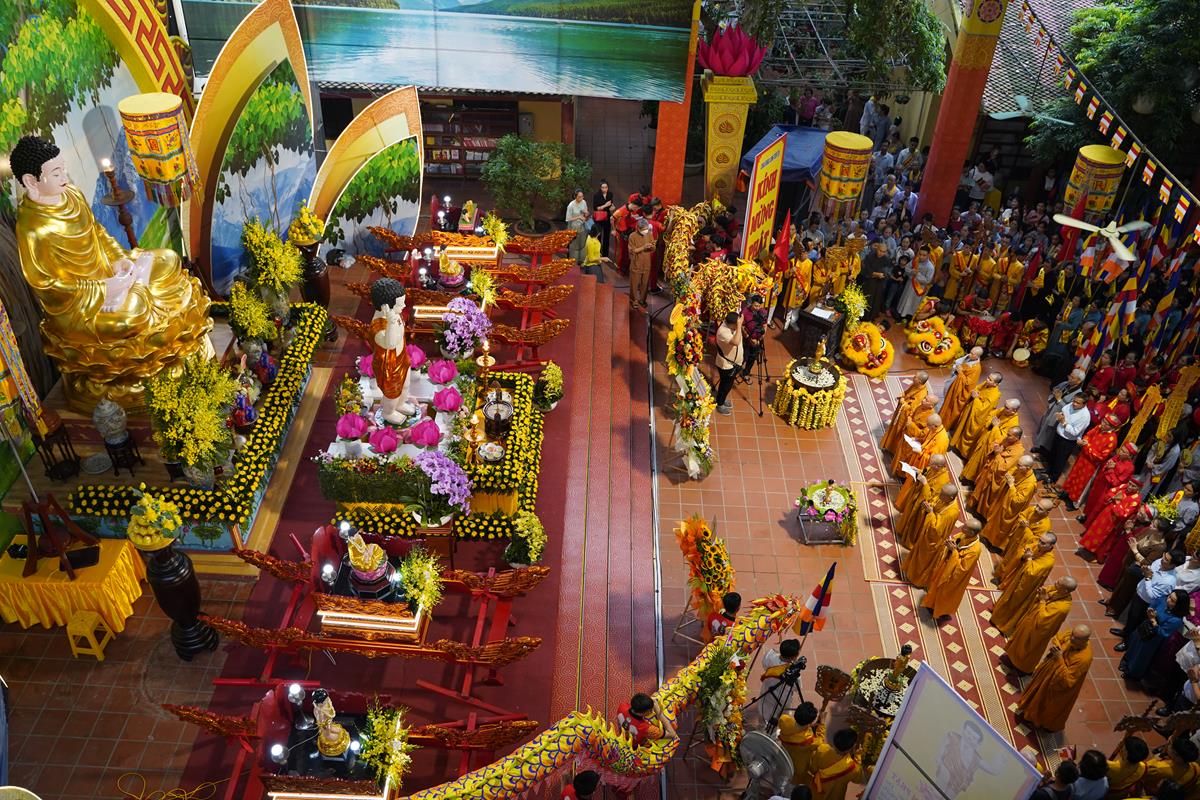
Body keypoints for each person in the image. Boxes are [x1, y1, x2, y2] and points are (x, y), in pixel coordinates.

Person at [1016, 625, 1093, 732]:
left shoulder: (1084, 659)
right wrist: (1058, 648)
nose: (1071, 639)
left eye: (1077, 638)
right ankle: (1028, 711)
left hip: (1058, 685)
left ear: (1085, 640)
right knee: (1036, 693)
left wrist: (1059, 658)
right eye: (1072, 635)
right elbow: (1057, 638)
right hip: (1049, 673)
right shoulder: (1072, 635)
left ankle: (1039, 722)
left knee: (1046, 705)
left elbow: (1068, 680)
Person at [1003, 577, 1077, 675]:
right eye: (1057, 581)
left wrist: (1042, 600)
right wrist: (1042, 592)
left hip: (1038, 631)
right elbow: (1047, 591)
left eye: (1058, 583)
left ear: (1065, 590)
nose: (1055, 583)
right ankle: (1013, 660)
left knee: (1027, 649)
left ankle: (1021, 669)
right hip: (1032, 621)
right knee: (1019, 641)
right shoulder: (1058, 590)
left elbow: (1043, 620)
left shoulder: (1062, 608)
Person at [1112, 549, 1184, 645]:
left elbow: (1152, 596)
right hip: (1139, 594)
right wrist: (1144, 571)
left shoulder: (1169, 581)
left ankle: (1127, 642)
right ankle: (1125, 632)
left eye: (1166, 560)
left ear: (1173, 565)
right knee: (1131, 617)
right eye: (1164, 556)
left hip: (1146, 603)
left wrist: (1147, 578)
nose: (1162, 559)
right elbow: (1149, 570)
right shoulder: (1159, 562)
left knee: (1136, 622)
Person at [990, 533, 1058, 635]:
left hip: (1027, 585)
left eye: (1043, 543)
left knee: (1015, 601)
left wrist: (1029, 558)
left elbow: (1031, 573)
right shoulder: (1037, 546)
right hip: (1019, 576)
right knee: (1007, 595)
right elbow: (1025, 549)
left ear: (1051, 546)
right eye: (1040, 540)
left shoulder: (1049, 560)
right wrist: (1024, 556)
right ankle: (997, 613)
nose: (1039, 544)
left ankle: (1003, 624)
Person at [920, 522, 984, 621]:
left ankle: (939, 611)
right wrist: (950, 544)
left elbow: (963, 568)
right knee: (936, 585)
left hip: (954, 576)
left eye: (965, 527)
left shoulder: (975, 550)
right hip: (946, 566)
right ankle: (930, 604)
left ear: (971, 532)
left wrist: (953, 551)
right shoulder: (964, 535)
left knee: (945, 593)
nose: (962, 527)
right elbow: (955, 540)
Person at [1119, 589, 1190, 678]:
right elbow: (1154, 603)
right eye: (1169, 597)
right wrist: (1151, 610)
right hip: (1144, 628)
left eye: (1172, 600)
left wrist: (1153, 620)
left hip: (1152, 638)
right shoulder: (1164, 601)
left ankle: (1132, 673)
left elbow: (1163, 633)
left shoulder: (1176, 619)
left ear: (1178, 605)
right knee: (1133, 645)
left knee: (1140, 655)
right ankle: (1126, 662)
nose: (1168, 600)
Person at [979, 446, 1038, 550]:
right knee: (994, 520)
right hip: (1004, 500)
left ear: (1028, 468)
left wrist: (1011, 485)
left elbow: (1018, 501)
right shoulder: (1020, 469)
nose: (1017, 467)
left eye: (1020, 466)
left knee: (1001, 527)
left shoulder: (1030, 484)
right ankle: (987, 536)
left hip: (1011, 508)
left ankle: (995, 545)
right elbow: (1011, 471)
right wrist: (1008, 476)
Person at [903, 485, 962, 587]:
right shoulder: (946, 499)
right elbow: (936, 504)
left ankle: (917, 580)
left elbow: (936, 529)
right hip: (927, 534)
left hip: (933, 540)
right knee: (917, 554)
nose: (940, 495)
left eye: (943, 495)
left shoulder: (951, 512)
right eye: (941, 492)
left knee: (923, 561)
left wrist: (930, 512)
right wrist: (930, 505)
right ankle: (911, 571)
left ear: (951, 497)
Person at [934, 720, 1005, 798]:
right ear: (963, 730)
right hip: (946, 769)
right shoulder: (953, 737)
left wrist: (1000, 759)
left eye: (974, 738)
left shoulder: (976, 759)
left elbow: (992, 769)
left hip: (958, 782)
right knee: (942, 780)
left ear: (978, 743)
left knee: (949, 796)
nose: (969, 738)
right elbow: (944, 744)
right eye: (968, 733)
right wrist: (939, 758)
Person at [1059, 414, 1120, 506]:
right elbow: (1088, 435)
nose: (1103, 424)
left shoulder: (1112, 440)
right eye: (1103, 421)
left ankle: (1075, 502)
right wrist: (1085, 442)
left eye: (1106, 424)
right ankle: (1067, 492)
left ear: (1112, 427)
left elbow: (1101, 457)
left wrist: (1087, 446)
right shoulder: (1099, 427)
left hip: (1092, 464)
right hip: (1083, 456)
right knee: (1074, 474)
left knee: (1083, 482)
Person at [1078, 479, 1144, 564]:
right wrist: (1114, 498)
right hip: (1106, 514)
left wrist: (1117, 502)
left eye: (1133, 486)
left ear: (1138, 488)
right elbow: (1110, 491)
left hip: (1114, 522)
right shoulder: (1124, 486)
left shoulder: (1135, 500)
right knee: (1095, 531)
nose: (1130, 487)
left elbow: (1123, 514)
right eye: (1130, 484)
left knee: (1105, 539)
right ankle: (1089, 548)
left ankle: (1098, 557)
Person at [994, 498, 1055, 586]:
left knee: (1012, 563)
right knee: (1007, 557)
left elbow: (1037, 541)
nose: (1036, 509)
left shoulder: (1045, 525)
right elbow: (1022, 515)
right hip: (1017, 538)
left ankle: (1003, 579)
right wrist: (1022, 521)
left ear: (1047, 512)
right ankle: (999, 574)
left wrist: (1026, 529)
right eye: (1037, 506)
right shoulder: (1032, 509)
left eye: (1040, 509)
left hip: (1024, 546)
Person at [895, 453, 950, 548]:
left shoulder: (943, 480)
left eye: (931, 463)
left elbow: (932, 497)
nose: (929, 464)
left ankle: (910, 541)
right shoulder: (934, 469)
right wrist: (918, 471)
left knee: (914, 522)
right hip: (918, 495)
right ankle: (903, 530)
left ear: (938, 466)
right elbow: (927, 472)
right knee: (908, 514)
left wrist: (924, 483)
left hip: (924, 504)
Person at [961, 400, 1021, 484]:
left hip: (992, 445)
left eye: (1007, 408)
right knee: (975, 458)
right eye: (1005, 406)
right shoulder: (1003, 410)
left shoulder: (1013, 423)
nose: (1004, 408)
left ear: (1014, 411)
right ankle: (968, 475)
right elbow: (991, 415)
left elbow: (1004, 438)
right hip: (987, 437)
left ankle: (973, 480)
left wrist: (995, 427)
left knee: (982, 462)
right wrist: (991, 422)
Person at [1080, 442, 1138, 525]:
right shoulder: (1118, 457)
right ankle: (1085, 516)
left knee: (1098, 505)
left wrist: (1111, 469)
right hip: (1101, 481)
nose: (1120, 452)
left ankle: (1089, 523)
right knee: (1092, 498)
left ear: (1129, 456)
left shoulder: (1130, 468)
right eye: (1121, 449)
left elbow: (1117, 482)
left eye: (1124, 452)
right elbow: (1108, 463)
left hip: (1108, 488)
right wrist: (1109, 466)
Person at [1043, 393, 1093, 484]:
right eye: (1074, 401)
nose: (1074, 404)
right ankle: (1048, 470)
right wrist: (1061, 415)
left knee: (1060, 459)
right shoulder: (1072, 404)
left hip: (1067, 440)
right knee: (1053, 453)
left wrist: (1064, 423)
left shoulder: (1085, 416)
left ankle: (1053, 478)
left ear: (1084, 404)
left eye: (1078, 403)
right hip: (1059, 433)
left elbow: (1075, 432)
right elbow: (1064, 410)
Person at [950, 372, 1003, 456]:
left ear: (995, 384)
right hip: (971, 410)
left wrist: (976, 398)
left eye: (990, 380)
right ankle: (957, 444)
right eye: (988, 377)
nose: (987, 380)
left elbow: (983, 409)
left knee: (969, 432)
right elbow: (977, 388)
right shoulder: (986, 384)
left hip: (979, 416)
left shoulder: (994, 395)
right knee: (963, 426)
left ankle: (964, 453)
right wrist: (975, 393)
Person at [809, 728, 868, 800]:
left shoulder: (822, 749)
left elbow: (813, 768)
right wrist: (858, 756)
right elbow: (858, 779)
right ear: (852, 747)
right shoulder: (851, 768)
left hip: (816, 791)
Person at [882, 371, 929, 454]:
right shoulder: (916, 385)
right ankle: (888, 445)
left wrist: (903, 402)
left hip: (905, 417)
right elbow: (907, 393)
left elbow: (912, 410)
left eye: (915, 377)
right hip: (901, 412)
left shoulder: (921, 395)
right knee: (894, 428)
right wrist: (902, 394)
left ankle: (893, 450)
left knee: (898, 431)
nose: (913, 377)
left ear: (919, 381)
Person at [778, 702, 824, 786]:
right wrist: (822, 725)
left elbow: (797, 727)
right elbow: (820, 741)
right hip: (798, 768)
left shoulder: (784, 720)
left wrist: (809, 725)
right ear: (809, 723)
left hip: (783, 759)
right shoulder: (808, 740)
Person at [941, 347, 984, 430]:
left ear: (977, 356)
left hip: (960, 391)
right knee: (947, 402)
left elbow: (968, 383)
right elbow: (959, 363)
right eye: (970, 352)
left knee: (952, 408)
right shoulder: (968, 358)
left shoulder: (976, 368)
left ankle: (946, 425)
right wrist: (957, 368)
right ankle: (941, 417)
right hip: (956, 384)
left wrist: (960, 372)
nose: (970, 354)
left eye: (972, 354)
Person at [714, 311, 744, 415]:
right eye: (736, 325)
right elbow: (735, 342)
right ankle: (720, 403)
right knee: (725, 385)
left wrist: (738, 324)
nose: (738, 327)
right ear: (731, 324)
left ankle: (721, 399)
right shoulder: (723, 332)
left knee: (728, 384)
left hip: (734, 364)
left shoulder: (733, 327)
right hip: (726, 365)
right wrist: (739, 326)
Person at [896, 243, 935, 320]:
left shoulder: (930, 267)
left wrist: (917, 274)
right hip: (909, 285)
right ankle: (900, 317)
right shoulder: (915, 260)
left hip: (919, 289)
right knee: (905, 301)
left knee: (913, 304)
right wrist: (911, 271)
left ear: (928, 255)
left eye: (924, 255)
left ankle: (909, 318)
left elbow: (928, 280)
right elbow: (906, 268)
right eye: (920, 254)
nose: (921, 257)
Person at [627, 218, 655, 309]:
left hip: (646, 264)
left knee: (645, 283)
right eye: (643, 229)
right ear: (638, 228)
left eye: (646, 229)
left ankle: (642, 300)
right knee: (634, 283)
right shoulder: (632, 236)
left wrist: (652, 246)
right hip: (636, 263)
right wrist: (643, 247)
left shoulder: (649, 234)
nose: (645, 231)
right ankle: (634, 300)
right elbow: (632, 250)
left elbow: (653, 247)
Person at [859, 239, 891, 320]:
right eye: (880, 251)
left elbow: (887, 271)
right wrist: (875, 274)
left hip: (879, 283)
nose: (881, 253)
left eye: (884, 252)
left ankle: (872, 317)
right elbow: (866, 269)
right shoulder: (870, 256)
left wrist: (882, 275)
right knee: (867, 299)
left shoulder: (887, 259)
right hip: (869, 282)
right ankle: (863, 316)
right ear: (877, 249)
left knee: (876, 301)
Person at [740, 295, 767, 381]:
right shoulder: (745, 312)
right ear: (751, 303)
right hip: (746, 340)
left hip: (757, 341)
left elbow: (765, 325)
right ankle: (736, 370)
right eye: (755, 305)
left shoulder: (763, 312)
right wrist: (749, 338)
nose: (757, 308)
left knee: (752, 358)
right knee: (743, 357)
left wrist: (760, 339)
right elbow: (741, 326)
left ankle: (746, 373)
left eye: (759, 306)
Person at [565, 189, 589, 265]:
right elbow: (568, 219)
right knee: (574, 245)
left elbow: (586, 214)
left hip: (582, 227)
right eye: (579, 197)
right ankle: (573, 262)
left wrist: (586, 214)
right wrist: (578, 217)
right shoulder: (571, 205)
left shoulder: (584, 202)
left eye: (582, 196)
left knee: (582, 244)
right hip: (573, 227)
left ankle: (581, 260)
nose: (581, 198)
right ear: (575, 196)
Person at [591, 181, 614, 257]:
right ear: (600, 188)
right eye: (603, 187)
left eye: (606, 187)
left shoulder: (610, 194)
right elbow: (596, 208)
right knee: (598, 236)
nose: (604, 189)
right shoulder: (596, 195)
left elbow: (611, 205)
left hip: (607, 217)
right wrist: (605, 205)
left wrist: (612, 207)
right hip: (599, 218)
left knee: (606, 237)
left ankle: (605, 255)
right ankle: (598, 253)